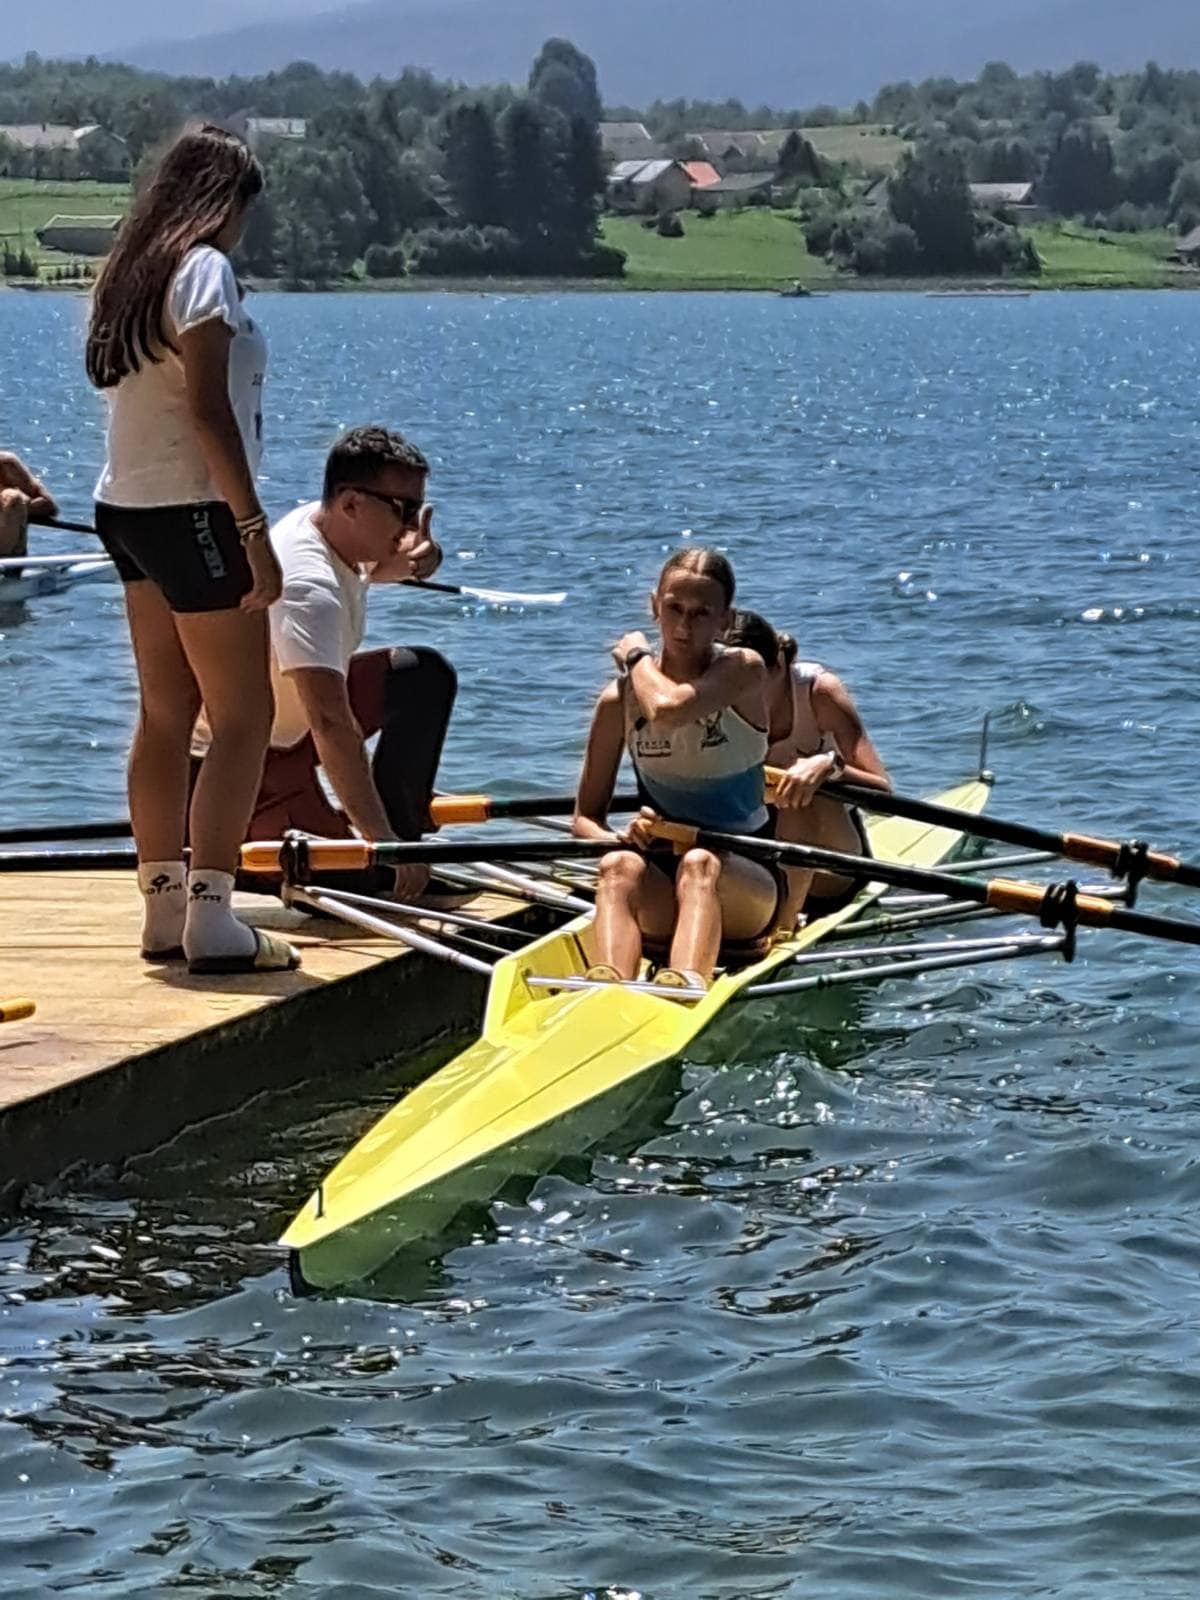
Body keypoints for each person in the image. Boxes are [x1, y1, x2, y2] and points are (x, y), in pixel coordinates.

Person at [85, 123, 298, 976]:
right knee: (242, 717)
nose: (246, 225)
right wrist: (253, 531)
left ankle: (162, 907)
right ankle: (213, 915)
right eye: (245, 206)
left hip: (125, 507)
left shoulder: (132, 271)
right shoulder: (204, 268)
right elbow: (209, 410)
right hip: (193, 511)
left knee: (164, 713)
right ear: (224, 200)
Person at [197, 425, 457, 902]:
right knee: (364, 887)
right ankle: (387, 856)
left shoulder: (333, 529)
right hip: (242, 767)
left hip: (289, 737)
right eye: (402, 511)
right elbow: (331, 724)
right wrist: (380, 844)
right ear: (351, 503)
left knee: (422, 676)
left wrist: (423, 558)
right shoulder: (308, 588)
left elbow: (381, 566)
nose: (409, 527)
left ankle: (403, 833)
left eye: (417, 511)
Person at [573, 547, 785, 995]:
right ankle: (607, 988)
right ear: (654, 607)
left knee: (699, 861)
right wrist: (619, 839)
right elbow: (585, 819)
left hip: (749, 882)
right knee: (617, 866)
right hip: (663, 880)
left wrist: (636, 657)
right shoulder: (616, 703)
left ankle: (685, 985)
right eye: (674, 608)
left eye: (701, 613)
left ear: (725, 621)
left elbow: (667, 710)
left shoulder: (743, 669)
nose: (684, 626)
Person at [723, 609, 890, 928]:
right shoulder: (712, 701)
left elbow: (883, 793)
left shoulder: (820, 693)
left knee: (798, 790)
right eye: (731, 683)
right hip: (759, 862)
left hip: (832, 867)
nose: (739, 696)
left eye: (752, 680)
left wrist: (829, 765)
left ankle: (783, 925)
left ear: (778, 663)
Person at [0, 452, 56, 563]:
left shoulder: (5, 464)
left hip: (9, 559)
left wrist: (14, 507)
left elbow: (48, 506)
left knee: (13, 496)